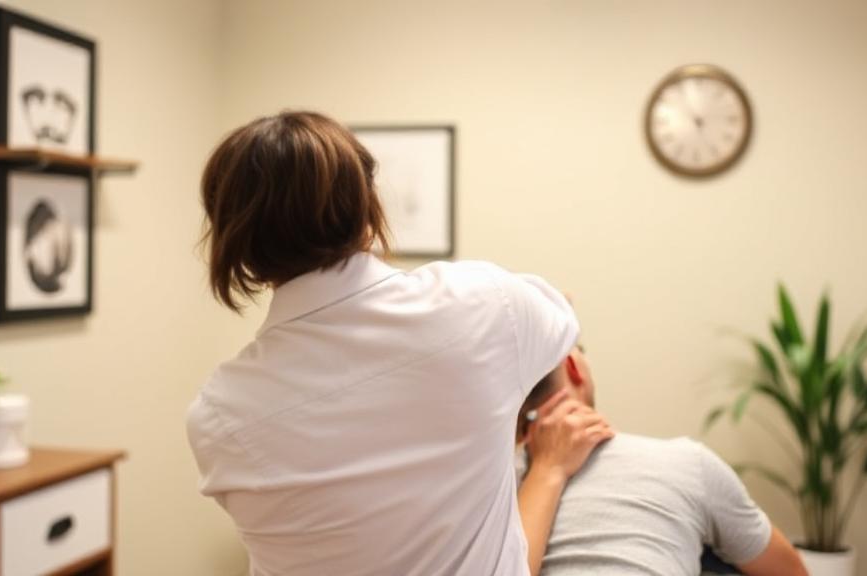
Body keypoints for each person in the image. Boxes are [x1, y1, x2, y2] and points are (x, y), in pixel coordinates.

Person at [186, 111, 581, 575]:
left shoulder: (218, 415)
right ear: (365, 204)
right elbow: (560, 330)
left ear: (235, 240)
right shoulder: (484, 303)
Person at [517, 344, 809, 576]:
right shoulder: (686, 463)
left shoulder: (487, 492)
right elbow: (792, 572)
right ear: (573, 366)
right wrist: (548, 469)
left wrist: (545, 470)